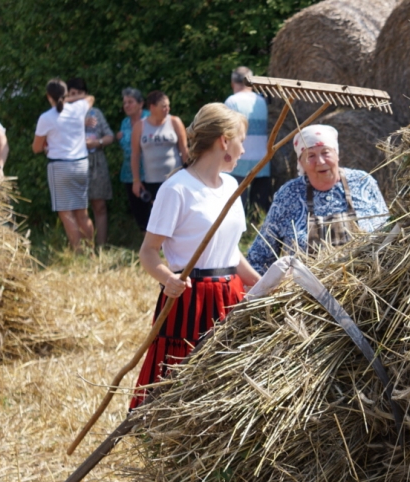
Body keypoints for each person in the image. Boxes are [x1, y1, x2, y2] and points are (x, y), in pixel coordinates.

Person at [132, 103, 261, 408]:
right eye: (241, 140)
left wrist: (262, 283)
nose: (243, 150)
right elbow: (148, 252)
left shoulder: (231, 185)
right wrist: (168, 279)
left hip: (230, 295)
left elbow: (230, 253)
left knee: (228, 382)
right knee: (181, 387)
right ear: (224, 141)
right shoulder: (176, 189)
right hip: (191, 300)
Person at [247, 125, 389, 275]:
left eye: (325, 152)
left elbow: (388, 234)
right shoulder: (289, 195)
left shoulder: (363, 182)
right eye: (311, 156)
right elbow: (259, 257)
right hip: (306, 293)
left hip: (366, 287)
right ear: (301, 162)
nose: (320, 161)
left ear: (337, 154)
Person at [33, 78, 95, 253]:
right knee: (82, 213)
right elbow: (90, 98)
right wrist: (68, 99)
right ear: (66, 93)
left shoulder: (46, 117)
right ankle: (90, 250)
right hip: (81, 164)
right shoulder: (79, 108)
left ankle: (78, 251)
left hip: (60, 166)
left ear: (48, 96)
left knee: (66, 212)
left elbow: (37, 147)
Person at [130, 90, 188, 232]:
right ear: (152, 107)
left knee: (178, 212)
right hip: (152, 180)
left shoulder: (174, 122)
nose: (167, 109)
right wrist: (136, 180)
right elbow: (135, 155)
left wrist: (190, 173)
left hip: (175, 178)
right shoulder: (140, 126)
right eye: (163, 106)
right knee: (158, 215)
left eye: (168, 106)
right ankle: (158, 247)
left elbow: (185, 149)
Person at [68, 78, 114, 247]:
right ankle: (83, 247)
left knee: (99, 206)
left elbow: (109, 136)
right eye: (72, 94)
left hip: (96, 163)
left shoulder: (96, 112)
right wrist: (81, 124)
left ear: (85, 95)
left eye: (79, 94)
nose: (76, 98)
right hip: (73, 164)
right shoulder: (63, 113)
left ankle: (101, 247)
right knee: (77, 208)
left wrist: (98, 143)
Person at [224, 66, 273, 215]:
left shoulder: (231, 101)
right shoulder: (262, 101)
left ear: (233, 82)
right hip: (262, 158)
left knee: (237, 208)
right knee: (258, 210)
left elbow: (228, 133)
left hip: (239, 160)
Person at [118, 87, 149, 233]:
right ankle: (146, 244)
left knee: (153, 209)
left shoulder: (150, 118)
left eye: (130, 102)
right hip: (130, 174)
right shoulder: (125, 122)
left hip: (150, 173)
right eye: (125, 103)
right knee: (139, 212)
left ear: (140, 104)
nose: (127, 106)